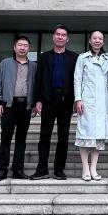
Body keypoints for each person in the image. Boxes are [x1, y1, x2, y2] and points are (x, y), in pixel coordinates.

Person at [32, 24, 79, 180]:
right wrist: (37, 100)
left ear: (67, 39)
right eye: (58, 34)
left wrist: (76, 99)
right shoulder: (44, 57)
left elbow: (78, 80)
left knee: (63, 137)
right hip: (48, 99)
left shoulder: (74, 57)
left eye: (63, 35)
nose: (60, 37)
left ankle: (59, 170)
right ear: (53, 37)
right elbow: (38, 79)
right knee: (44, 136)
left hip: (66, 100)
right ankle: (42, 169)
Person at [0, 34, 38, 181]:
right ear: (14, 47)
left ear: (29, 48)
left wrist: (35, 103)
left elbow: (36, 86)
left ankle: (18, 169)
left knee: (21, 139)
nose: (22, 48)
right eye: (20, 45)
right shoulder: (5, 63)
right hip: (8, 105)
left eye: (25, 46)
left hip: (25, 106)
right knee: (6, 138)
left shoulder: (34, 66)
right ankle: (2, 170)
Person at [74, 30, 108, 181]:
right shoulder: (82, 58)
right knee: (85, 135)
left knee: (98, 137)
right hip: (87, 102)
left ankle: (93, 169)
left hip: (102, 104)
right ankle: (85, 168)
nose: (97, 40)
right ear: (90, 40)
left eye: (100, 38)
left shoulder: (107, 60)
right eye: (95, 38)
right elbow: (77, 79)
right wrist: (78, 99)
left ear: (103, 41)